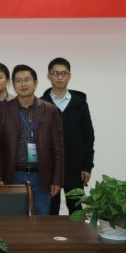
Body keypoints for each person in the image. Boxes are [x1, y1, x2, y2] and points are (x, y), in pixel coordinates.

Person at [0, 64, 64, 216]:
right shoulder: (3, 110)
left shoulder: (50, 110)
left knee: (41, 220)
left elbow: (58, 148)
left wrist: (57, 180)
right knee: (14, 220)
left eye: (27, 80)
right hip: (13, 175)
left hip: (42, 176)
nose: (23, 84)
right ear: (13, 85)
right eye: (19, 81)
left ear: (36, 82)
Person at [41, 57, 95, 215]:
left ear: (69, 76)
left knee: (76, 211)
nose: (59, 77)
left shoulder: (80, 103)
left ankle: (77, 233)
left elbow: (88, 136)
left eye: (63, 73)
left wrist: (87, 166)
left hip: (75, 166)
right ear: (49, 76)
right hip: (50, 167)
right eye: (55, 73)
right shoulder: (41, 104)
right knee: (50, 211)